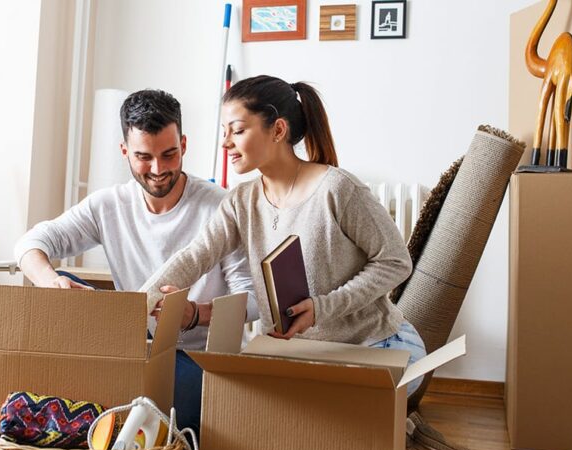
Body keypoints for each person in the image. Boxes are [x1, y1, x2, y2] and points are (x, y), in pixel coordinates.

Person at [142, 75, 427, 396]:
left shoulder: (337, 189)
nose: (225, 143)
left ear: (278, 130)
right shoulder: (241, 201)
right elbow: (196, 255)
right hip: (296, 353)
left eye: (237, 130)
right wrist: (138, 304)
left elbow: (395, 262)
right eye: (225, 132)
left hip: (375, 345)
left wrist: (322, 307)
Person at [14, 89, 259, 434]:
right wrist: (49, 281)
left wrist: (194, 315)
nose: (158, 169)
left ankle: (113, 413)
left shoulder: (221, 207)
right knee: (61, 283)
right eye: (144, 157)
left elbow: (252, 300)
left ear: (184, 145)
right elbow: (30, 243)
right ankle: (112, 412)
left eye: (169, 154)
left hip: (199, 360)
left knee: (142, 400)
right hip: (134, 349)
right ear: (125, 152)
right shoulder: (108, 205)